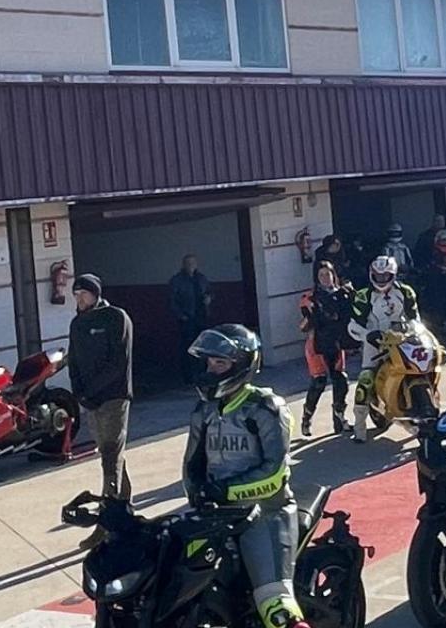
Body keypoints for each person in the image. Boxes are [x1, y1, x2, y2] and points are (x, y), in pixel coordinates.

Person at [182, 325, 312, 628]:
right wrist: (199, 495)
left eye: (220, 363)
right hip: (215, 515)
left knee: (275, 605)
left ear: (242, 365)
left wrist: (223, 492)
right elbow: (192, 464)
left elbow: (275, 474)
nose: (211, 370)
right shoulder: (203, 411)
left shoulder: (266, 409)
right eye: (209, 362)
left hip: (264, 512)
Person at [69, 273, 134, 547]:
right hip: (90, 401)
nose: (79, 299)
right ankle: (124, 512)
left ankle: (107, 526)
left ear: (95, 294)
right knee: (113, 459)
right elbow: (73, 360)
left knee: (110, 457)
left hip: (113, 398)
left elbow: (119, 362)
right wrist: (79, 392)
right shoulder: (77, 323)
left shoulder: (116, 317)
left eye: (83, 293)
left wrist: (93, 390)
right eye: (75, 294)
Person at [348, 256, 418, 442]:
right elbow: (353, 325)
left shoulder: (406, 292)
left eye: (385, 275)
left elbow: (415, 319)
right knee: (365, 378)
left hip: (400, 339)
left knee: (418, 366)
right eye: (377, 276)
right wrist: (367, 335)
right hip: (375, 342)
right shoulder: (363, 295)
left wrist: (414, 331)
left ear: (393, 275)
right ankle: (359, 426)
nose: (381, 279)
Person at [298, 263, 353, 437]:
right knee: (319, 382)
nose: (325, 278)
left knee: (341, 381)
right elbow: (304, 324)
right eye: (321, 275)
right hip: (317, 345)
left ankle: (339, 418)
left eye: (328, 274)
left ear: (333, 274)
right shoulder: (311, 298)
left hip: (336, 343)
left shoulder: (343, 293)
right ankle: (306, 418)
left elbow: (351, 314)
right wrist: (314, 314)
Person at [170, 255, 211, 387]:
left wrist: (209, 299)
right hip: (188, 318)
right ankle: (188, 377)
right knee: (188, 348)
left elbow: (210, 292)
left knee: (204, 348)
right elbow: (172, 300)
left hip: (202, 317)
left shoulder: (202, 278)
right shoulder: (177, 280)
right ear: (183, 264)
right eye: (188, 263)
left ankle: (203, 375)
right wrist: (181, 315)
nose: (191, 265)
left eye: (193, 263)